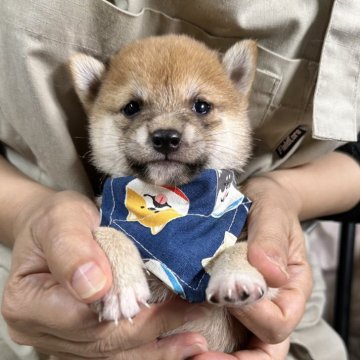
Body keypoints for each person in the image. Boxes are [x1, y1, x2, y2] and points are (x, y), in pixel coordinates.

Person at [0, 0, 359, 359]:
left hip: (283, 333)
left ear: (238, 86)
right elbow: (103, 236)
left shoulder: (234, 212)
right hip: (46, 313)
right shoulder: (104, 216)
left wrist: (280, 197)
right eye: (132, 108)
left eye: (201, 107)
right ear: (93, 97)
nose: (166, 132)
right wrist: (32, 213)